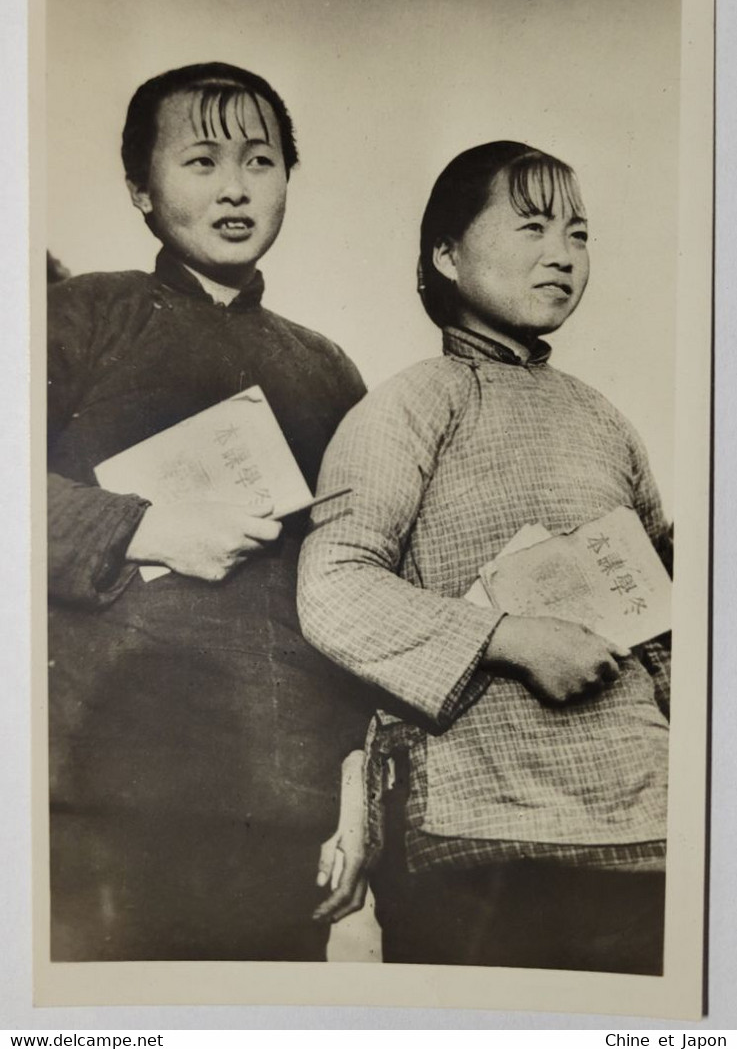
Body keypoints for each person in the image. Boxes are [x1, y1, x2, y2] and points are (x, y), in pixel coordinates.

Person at [298, 140, 672, 974]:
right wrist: (510, 638)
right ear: (445, 253)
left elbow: (671, 619)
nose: (562, 255)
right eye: (533, 226)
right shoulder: (405, 405)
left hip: (647, 820)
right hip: (483, 826)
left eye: (579, 235)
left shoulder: (603, 420)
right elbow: (333, 585)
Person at [48, 62, 375, 961]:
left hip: (283, 810)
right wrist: (141, 527)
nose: (236, 187)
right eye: (200, 161)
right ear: (139, 190)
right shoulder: (81, 315)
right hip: (97, 795)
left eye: (261, 160)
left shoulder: (329, 369)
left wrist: (354, 793)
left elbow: (356, 585)